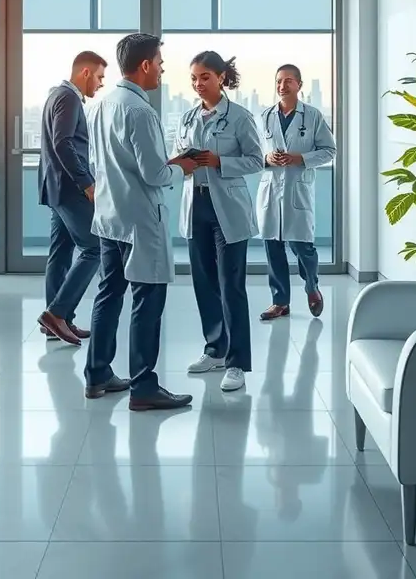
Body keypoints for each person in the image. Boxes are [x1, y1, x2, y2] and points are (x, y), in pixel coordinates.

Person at [84, 33, 198, 411]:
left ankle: (97, 374)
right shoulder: (140, 111)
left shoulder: (101, 105)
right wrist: (181, 167)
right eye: (161, 63)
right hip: (139, 222)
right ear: (146, 65)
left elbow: (95, 163)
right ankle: (144, 387)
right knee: (147, 301)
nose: (163, 70)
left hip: (110, 216)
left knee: (109, 293)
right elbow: (154, 174)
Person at [174, 52, 264, 392]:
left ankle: (237, 362)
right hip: (195, 205)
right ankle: (215, 349)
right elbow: (178, 155)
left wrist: (218, 161)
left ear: (222, 78)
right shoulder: (185, 118)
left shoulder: (240, 118)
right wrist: (184, 162)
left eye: (205, 77)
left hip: (228, 209)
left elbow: (256, 160)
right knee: (204, 284)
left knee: (231, 287)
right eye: (194, 78)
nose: (198, 84)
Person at [37, 51, 108, 345]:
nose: (101, 84)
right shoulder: (68, 98)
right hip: (69, 187)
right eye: (101, 77)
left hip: (56, 186)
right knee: (95, 247)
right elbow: (63, 142)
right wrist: (86, 183)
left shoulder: (57, 94)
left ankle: (58, 321)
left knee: (62, 252)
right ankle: (57, 313)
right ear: (86, 72)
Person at [257, 64, 336, 320]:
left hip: (297, 190)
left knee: (303, 247)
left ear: (299, 85)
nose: (282, 85)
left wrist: (300, 158)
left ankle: (312, 287)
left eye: (288, 81)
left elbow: (329, 151)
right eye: (279, 81)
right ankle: (280, 302)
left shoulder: (312, 116)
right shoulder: (265, 116)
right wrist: (267, 157)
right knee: (273, 247)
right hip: (271, 190)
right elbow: (251, 154)